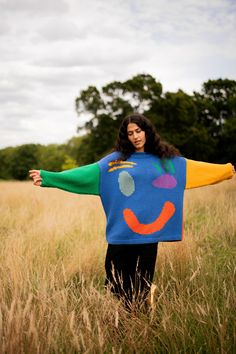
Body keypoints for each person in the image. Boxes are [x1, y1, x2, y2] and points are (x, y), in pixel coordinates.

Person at [29, 113, 235, 310]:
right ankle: (136, 307)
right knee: (113, 281)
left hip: (148, 235)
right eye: (130, 133)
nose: (135, 136)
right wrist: (48, 178)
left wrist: (224, 171)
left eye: (138, 131)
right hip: (122, 233)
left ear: (147, 131)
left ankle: (138, 317)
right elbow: (84, 174)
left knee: (141, 282)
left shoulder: (166, 160)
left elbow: (195, 169)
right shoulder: (113, 162)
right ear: (125, 137)